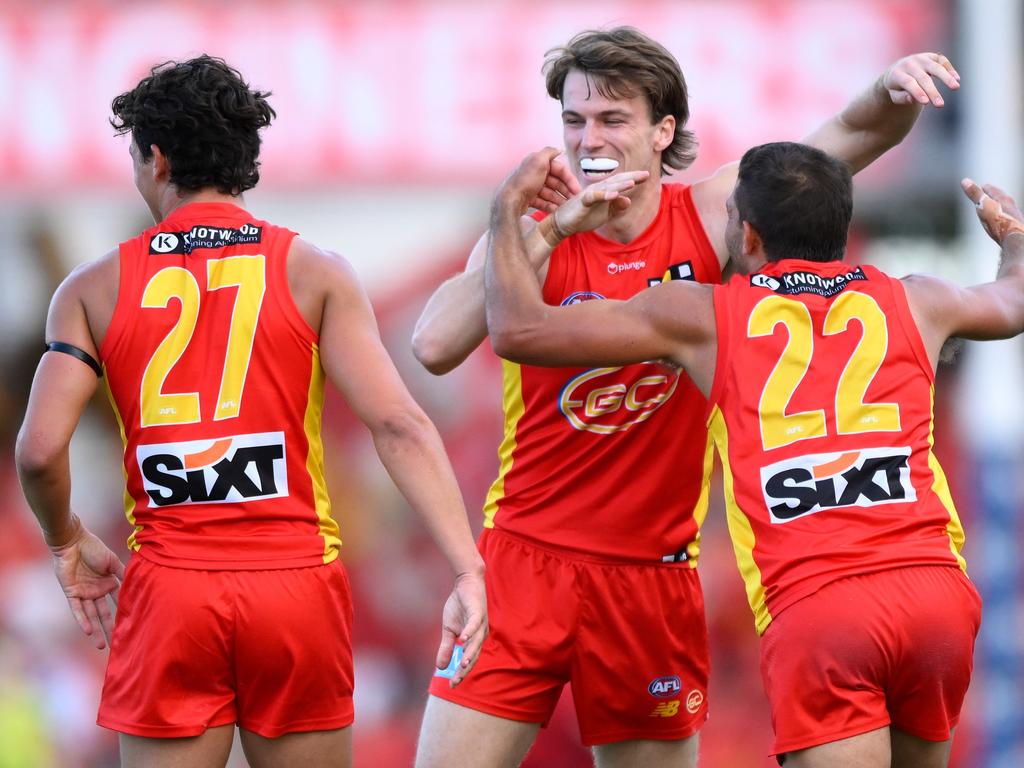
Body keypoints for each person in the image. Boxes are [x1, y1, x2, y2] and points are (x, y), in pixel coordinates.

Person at [413, 26, 961, 768]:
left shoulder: (711, 214)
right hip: (524, 563)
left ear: (661, 130)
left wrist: (888, 86)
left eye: (612, 119)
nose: (588, 139)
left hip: (651, 578)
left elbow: (850, 139)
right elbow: (434, 346)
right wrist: (543, 230)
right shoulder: (528, 238)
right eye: (573, 121)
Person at [484, 142, 1024, 768]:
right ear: (840, 229)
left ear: (746, 232)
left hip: (822, 605)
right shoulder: (920, 300)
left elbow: (517, 329)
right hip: (936, 596)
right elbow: (1013, 303)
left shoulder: (704, 315)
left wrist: (511, 215)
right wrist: (1013, 240)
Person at [14, 55, 487, 768]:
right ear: (246, 161)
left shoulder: (91, 289)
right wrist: (467, 565)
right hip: (293, 586)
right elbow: (399, 424)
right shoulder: (315, 271)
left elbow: (40, 449)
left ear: (156, 160)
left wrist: (65, 541)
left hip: (170, 592)